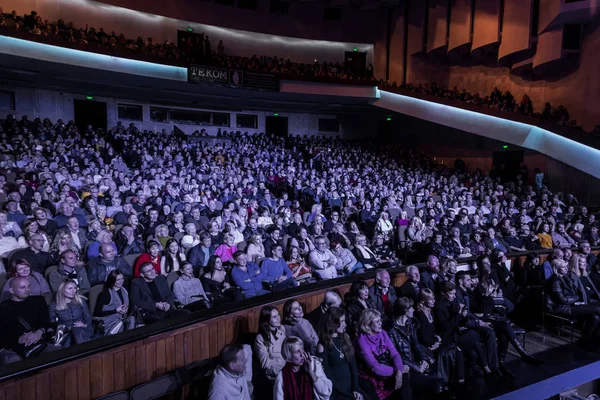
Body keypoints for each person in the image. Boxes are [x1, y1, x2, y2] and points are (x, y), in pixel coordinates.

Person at [387, 297, 446, 395]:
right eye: (411, 308)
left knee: (439, 381)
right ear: (405, 310)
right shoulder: (391, 331)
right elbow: (396, 355)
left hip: (416, 362)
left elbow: (416, 345)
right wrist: (416, 366)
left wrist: (424, 358)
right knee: (432, 384)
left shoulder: (410, 323)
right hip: (406, 367)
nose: (414, 310)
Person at [354, 309, 411, 400]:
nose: (380, 323)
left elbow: (395, 354)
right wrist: (396, 371)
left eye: (380, 320)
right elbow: (374, 367)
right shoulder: (361, 340)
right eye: (377, 321)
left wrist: (399, 371)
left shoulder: (382, 333)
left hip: (387, 368)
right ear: (367, 324)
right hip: (373, 375)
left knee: (405, 379)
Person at [0, 277, 57, 364]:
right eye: (22, 287)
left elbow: (47, 323)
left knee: (59, 353)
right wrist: (18, 339)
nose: (27, 290)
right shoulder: (3, 308)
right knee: (14, 362)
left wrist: (39, 332)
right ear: (12, 290)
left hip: (39, 342)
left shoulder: (39, 301)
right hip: (13, 347)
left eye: (28, 286)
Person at [316, 307, 369, 400]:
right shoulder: (322, 346)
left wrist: (355, 389)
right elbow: (327, 377)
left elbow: (353, 366)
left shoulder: (345, 337)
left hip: (352, 387)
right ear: (333, 323)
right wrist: (350, 395)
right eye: (342, 321)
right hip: (338, 392)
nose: (345, 324)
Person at [546, 259, 600, 349]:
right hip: (560, 307)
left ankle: (587, 340)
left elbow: (575, 292)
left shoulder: (565, 278)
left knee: (596, 317)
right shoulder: (554, 281)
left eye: (566, 267)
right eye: (563, 267)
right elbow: (563, 300)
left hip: (572, 304)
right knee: (598, 309)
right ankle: (589, 340)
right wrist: (577, 297)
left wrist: (576, 297)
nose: (566, 269)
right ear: (556, 268)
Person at [49, 279, 95, 347]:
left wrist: (84, 325)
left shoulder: (81, 301)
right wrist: (70, 328)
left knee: (78, 332)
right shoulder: (54, 306)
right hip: (66, 333)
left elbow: (88, 317)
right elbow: (53, 323)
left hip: (84, 330)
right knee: (74, 334)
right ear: (62, 290)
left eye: (75, 288)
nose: (73, 291)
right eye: (70, 288)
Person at [93, 270, 136, 335]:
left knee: (132, 319)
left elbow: (129, 305)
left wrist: (127, 309)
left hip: (123, 317)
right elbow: (97, 313)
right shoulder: (105, 294)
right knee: (119, 325)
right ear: (112, 281)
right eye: (118, 279)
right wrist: (115, 310)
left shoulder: (125, 290)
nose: (121, 281)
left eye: (122, 278)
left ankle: (131, 339)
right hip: (111, 319)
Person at [254, 305, 286, 381]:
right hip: (276, 374)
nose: (278, 318)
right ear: (266, 320)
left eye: (278, 315)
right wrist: (283, 373)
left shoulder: (282, 329)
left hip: (288, 367)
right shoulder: (260, 338)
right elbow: (266, 364)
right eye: (274, 317)